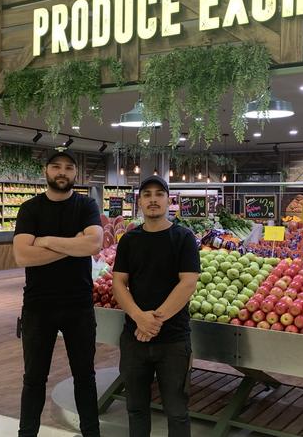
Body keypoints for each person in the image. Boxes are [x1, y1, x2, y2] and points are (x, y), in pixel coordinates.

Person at [13, 150, 103, 437]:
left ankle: (92, 433)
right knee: (34, 379)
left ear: (76, 174)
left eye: (68, 167)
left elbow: (93, 245)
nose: (62, 172)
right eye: (56, 167)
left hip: (79, 304)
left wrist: (47, 241)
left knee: (85, 377)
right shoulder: (30, 209)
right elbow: (22, 255)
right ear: (46, 171)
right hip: (39, 306)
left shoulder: (87, 205)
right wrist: (71, 245)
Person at [112, 176, 200, 437]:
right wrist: (139, 317)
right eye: (147, 194)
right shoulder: (129, 240)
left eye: (159, 194)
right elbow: (119, 283)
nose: (153, 199)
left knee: (177, 411)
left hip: (173, 340)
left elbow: (188, 283)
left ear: (168, 201)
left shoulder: (183, 237)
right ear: (139, 201)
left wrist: (153, 322)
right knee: (135, 408)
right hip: (133, 339)